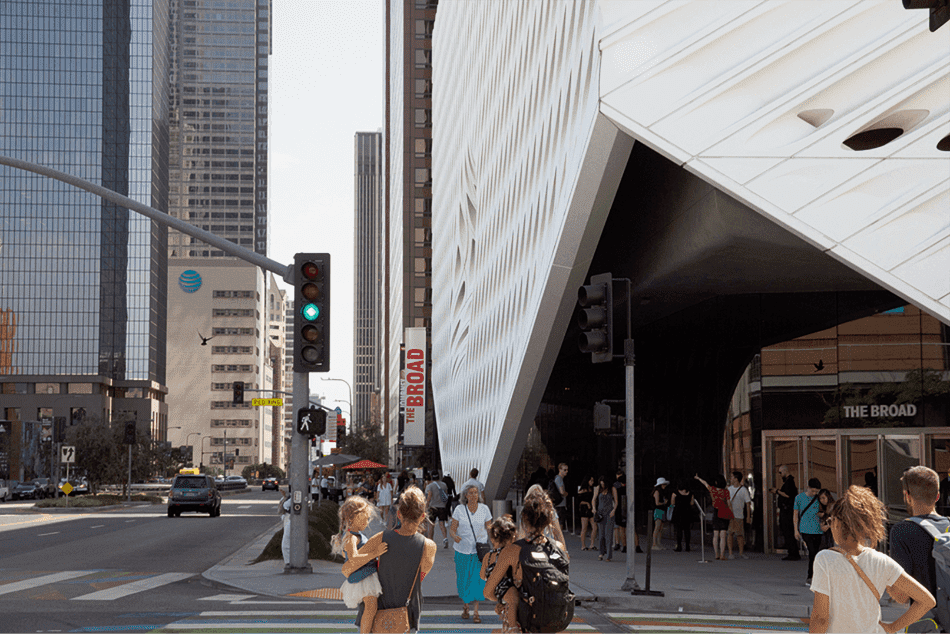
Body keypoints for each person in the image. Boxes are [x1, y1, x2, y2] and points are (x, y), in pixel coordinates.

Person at [809, 484, 934, 634]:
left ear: (837, 523)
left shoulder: (825, 559)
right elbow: (927, 601)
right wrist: (892, 628)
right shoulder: (882, 561)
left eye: (830, 521)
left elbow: (820, 618)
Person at [349, 485, 437, 633]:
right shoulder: (428, 546)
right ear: (422, 517)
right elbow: (420, 577)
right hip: (406, 618)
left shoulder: (381, 538)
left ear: (399, 515)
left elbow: (355, 563)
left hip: (373, 615)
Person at [485, 493, 569, 634]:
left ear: (523, 520)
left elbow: (488, 592)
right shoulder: (559, 548)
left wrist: (503, 601)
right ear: (547, 521)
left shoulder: (512, 551)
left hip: (523, 623)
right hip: (552, 622)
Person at [889, 466, 949, 631]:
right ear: (937, 496)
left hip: (927, 625)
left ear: (907, 496)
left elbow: (901, 596)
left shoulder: (902, 531)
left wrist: (886, 581)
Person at [332, 496, 387, 634]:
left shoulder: (355, 535)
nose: (367, 521)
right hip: (363, 577)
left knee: (370, 606)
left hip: (365, 574)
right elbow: (354, 559)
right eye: (366, 517)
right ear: (353, 518)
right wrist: (375, 553)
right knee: (370, 607)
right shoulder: (351, 537)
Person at [449, 484, 492, 623]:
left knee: (478, 581)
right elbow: (452, 529)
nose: (473, 495)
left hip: (479, 552)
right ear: (465, 496)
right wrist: (454, 536)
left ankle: (476, 612)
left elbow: (489, 528)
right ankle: (465, 606)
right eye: (470, 493)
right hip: (462, 550)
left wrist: (495, 544)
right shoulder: (459, 509)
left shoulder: (484, 509)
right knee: (463, 580)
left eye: (475, 493)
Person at [481, 515, 520, 634]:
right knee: (513, 601)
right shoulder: (512, 552)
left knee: (507, 615)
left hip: (498, 591)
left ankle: (511, 628)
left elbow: (482, 575)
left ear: (493, 539)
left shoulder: (488, 556)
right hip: (509, 588)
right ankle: (513, 628)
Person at [695, 474, 732, 560]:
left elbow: (705, 483)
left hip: (716, 511)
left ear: (716, 482)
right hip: (724, 511)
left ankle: (716, 554)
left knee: (715, 534)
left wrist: (699, 478)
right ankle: (722, 554)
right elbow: (729, 503)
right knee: (723, 535)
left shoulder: (713, 490)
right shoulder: (726, 491)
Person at [795, 478, 824, 585]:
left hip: (818, 530)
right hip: (805, 529)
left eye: (816, 492)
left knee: (816, 554)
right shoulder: (799, 498)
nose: (814, 493)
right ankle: (810, 576)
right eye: (813, 491)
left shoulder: (819, 498)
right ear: (808, 487)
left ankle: (813, 576)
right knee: (812, 552)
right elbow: (795, 514)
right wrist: (795, 530)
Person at [772, 464, 800, 560]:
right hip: (786, 510)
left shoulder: (789, 482)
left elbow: (788, 495)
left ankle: (793, 553)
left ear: (785, 471)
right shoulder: (788, 482)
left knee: (788, 531)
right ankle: (792, 552)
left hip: (787, 511)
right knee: (787, 531)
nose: (780, 475)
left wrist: (777, 491)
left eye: (780, 472)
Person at [727, 471, 752, 559]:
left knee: (740, 535)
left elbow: (748, 504)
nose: (731, 479)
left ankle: (741, 552)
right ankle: (730, 553)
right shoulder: (729, 489)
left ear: (736, 479)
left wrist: (748, 516)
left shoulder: (743, 490)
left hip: (739, 515)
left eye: (732, 477)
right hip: (730, 515)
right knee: (730, 533)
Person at [594, 475, 617, 561]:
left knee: (609, 534)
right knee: (601, 534)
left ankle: (608, 555)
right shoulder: (598, 488)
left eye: (604, 484)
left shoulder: (612, 489)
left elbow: (616, 501)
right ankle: (601, 552)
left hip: (609, 513)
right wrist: (594, 508)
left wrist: (614, 510)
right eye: (601, 484)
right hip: (600, 513)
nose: (602, 486)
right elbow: (594, 499)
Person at [425, 471, 449, 548]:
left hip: (433, 508)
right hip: (442, 507)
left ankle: (430, 542)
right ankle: (445, 538)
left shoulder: (430, 486)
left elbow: (429, 497)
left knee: (431, 525)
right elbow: (446, 496)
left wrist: (426, 506)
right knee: (442, 524)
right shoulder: (444, 485)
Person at [671, 481, 694, 552]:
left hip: (678, 512)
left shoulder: (675, 493)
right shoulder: (690, 493)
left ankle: (679, 546)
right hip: (687, 512)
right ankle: (687, 546)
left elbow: (672, 503)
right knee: (687, 530)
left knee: (679, 530)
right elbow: (692, 503)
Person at [651, 477, 671, 551]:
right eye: (664, 484)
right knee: (657, 527)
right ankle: (654, 544)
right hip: (658, 510)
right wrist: (664, 503)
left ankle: (658, 543)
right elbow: (657, 503)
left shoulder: (662, 492)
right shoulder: (657, 492)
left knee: (660, 528)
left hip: (662, 510)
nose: (665, 485)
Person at [577, 475, 595, 550]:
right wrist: (587, 503)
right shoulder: (582, 490)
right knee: (584, 528)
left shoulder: (591, 489)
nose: (592, 482)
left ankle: (592, 544)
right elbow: (579, 501)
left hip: (591, 509)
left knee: (594, 527)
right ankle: (583, 545)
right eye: (591, 480)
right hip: (584, 509)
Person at [613, 469, 627, 553]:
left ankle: (621, 544)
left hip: (619, 507)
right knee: (618, 527)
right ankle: (619, 543)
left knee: (620, 527)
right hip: (620, 507)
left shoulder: (616, 486)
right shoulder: (617, 485)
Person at [279, 486, 292, 566]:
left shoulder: (293, 498)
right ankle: (288, 560)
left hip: (291, 518)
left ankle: (288, 561)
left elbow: (285, 505)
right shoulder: (291, 497)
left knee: (286, 541)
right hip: (289, 518)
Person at [553, 463, 569, 530]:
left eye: (567, 470)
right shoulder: (559, 479)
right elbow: (562, 492)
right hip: (560, 505)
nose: (566, 471)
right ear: (560, 470)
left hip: (558, 504)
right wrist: (566, 493)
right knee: (560, 523)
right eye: (564, 470)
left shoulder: (557, 478)